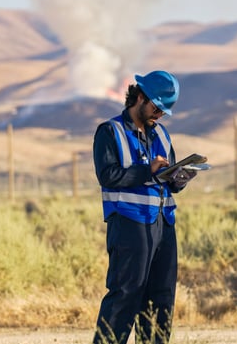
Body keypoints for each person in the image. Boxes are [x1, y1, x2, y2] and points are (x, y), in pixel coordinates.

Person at [92, 70, 197, 344]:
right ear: (140, 97)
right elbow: (108, 175)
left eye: (164, 111)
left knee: (161, 299)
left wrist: (179, 179)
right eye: (156, 107)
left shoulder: (161, 134)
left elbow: (168, 181)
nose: (159, 115)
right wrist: (147, 171)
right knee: (126, 294)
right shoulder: (109, 131)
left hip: (164, 225)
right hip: (128, 224)